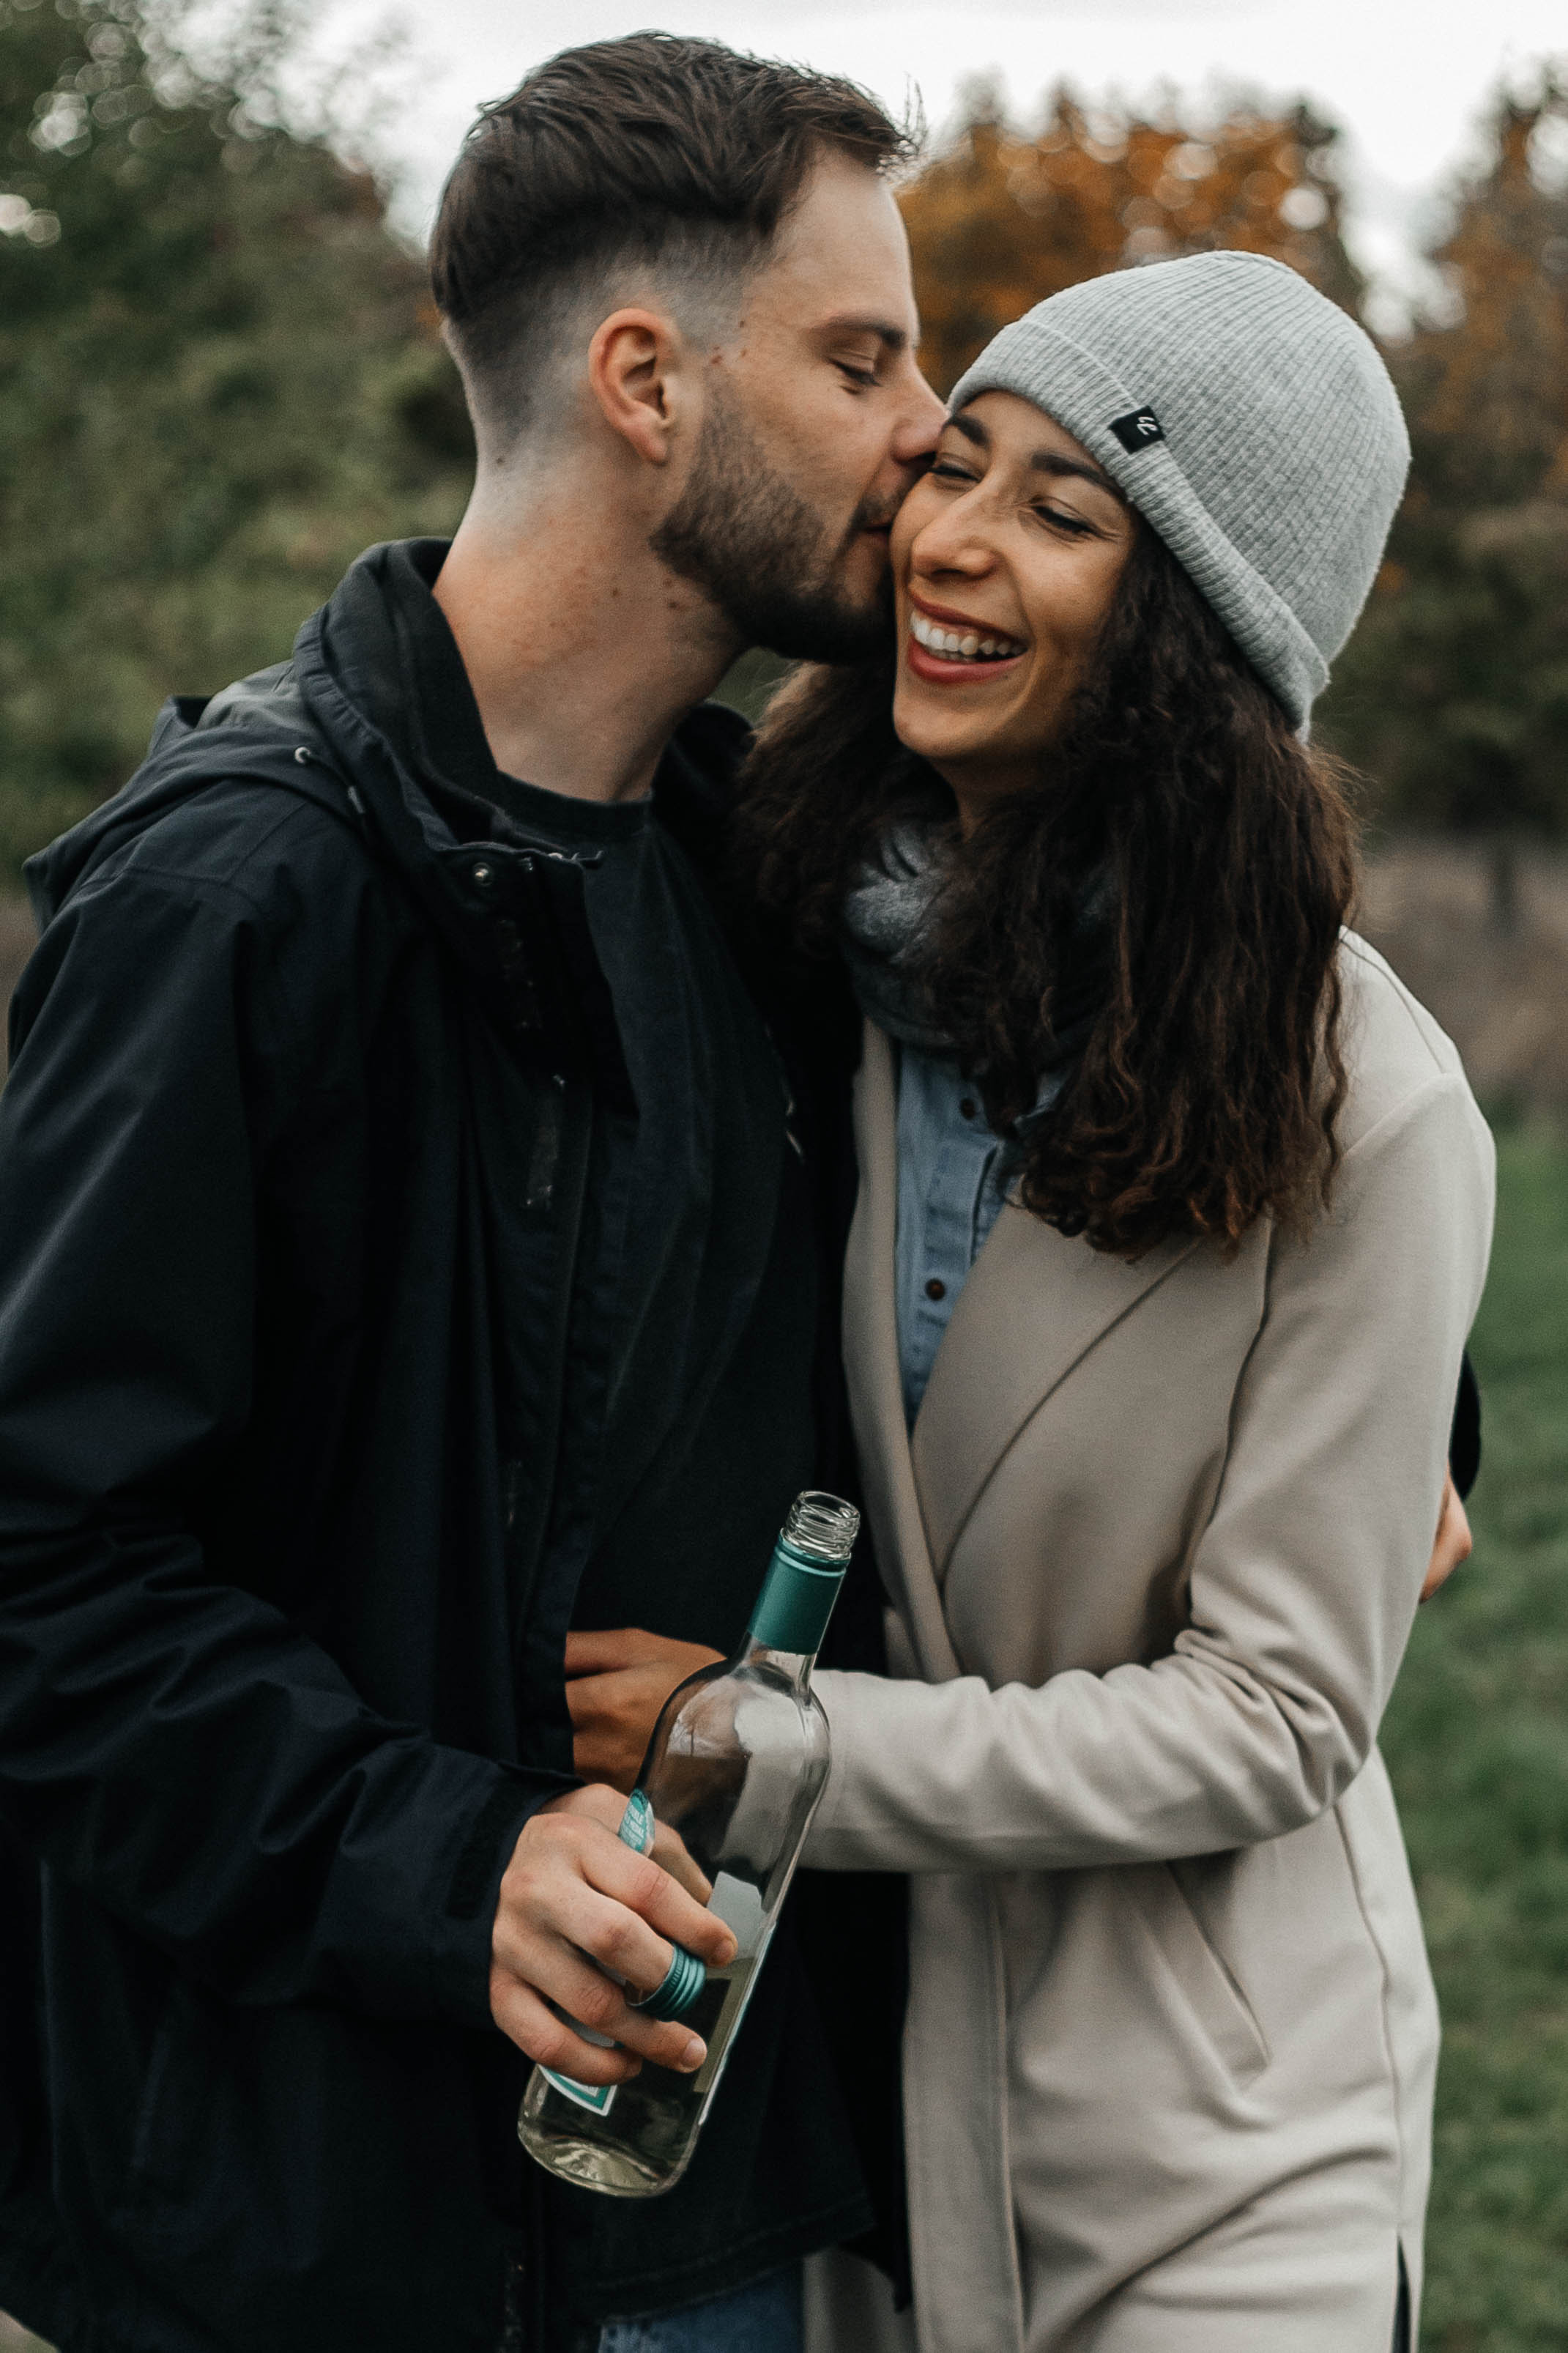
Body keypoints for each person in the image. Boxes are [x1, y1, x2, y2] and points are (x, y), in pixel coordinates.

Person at [0, 35, 945, 2353]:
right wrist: (443, 1863)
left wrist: (1403, 1377)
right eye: (864, 353)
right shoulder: (240, 895)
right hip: (317, 2239)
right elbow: (40, 1568)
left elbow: (1128, 1083)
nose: (929, 424)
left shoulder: (765, 880)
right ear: (646, 378)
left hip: (716, 2211)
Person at [721, 253, 1495, 2352]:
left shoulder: (1368, 1102)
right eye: (959, 465)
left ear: (1193, 643)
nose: (955, 540)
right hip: (851, 2099)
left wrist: (763, 1751)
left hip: (1227, 2140)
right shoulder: (792, 954)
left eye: (1067, 512)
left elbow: (1277, 1711)